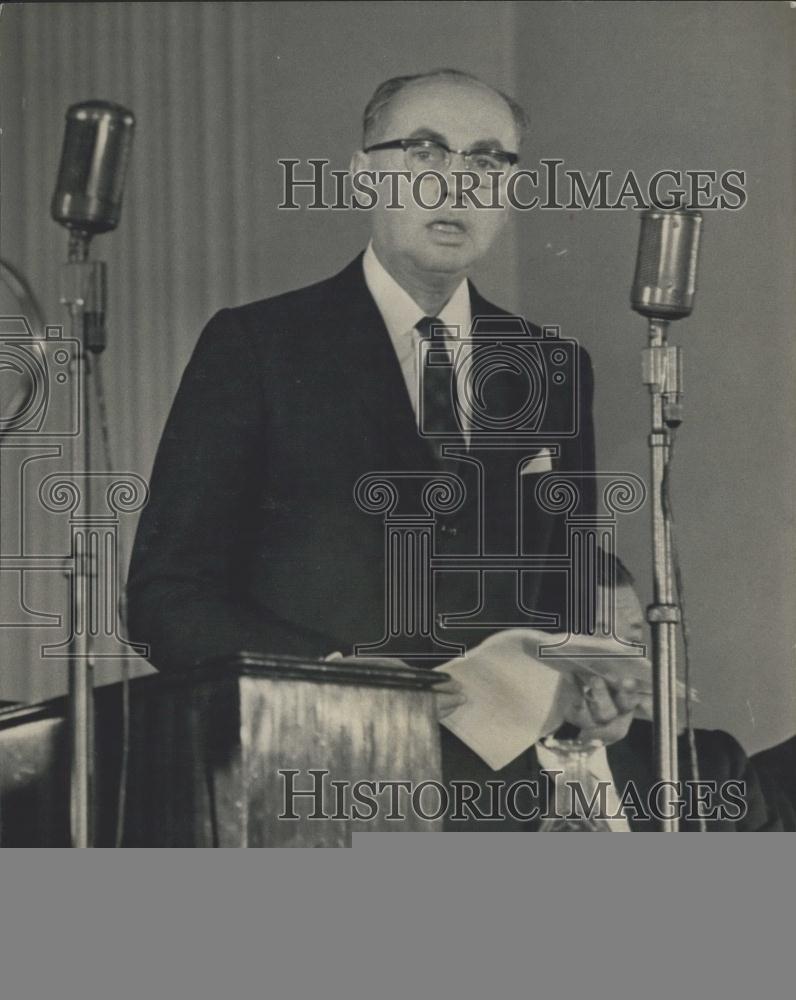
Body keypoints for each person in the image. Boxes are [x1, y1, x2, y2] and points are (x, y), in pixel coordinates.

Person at [127, 69, 642, 768]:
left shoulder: (554, 366)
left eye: (487, 159)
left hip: (500, 800)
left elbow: (565, 585)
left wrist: (593, 686)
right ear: (364, 176)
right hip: (309, 773)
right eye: (426, 152)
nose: (456, 184)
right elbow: (167, 600)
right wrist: (341, 677)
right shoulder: (258, 346)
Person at [441, 555, 778, 830]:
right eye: (591, 643)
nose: (619, 667)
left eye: (632, 642)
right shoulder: (448, 782)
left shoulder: (710, 767)